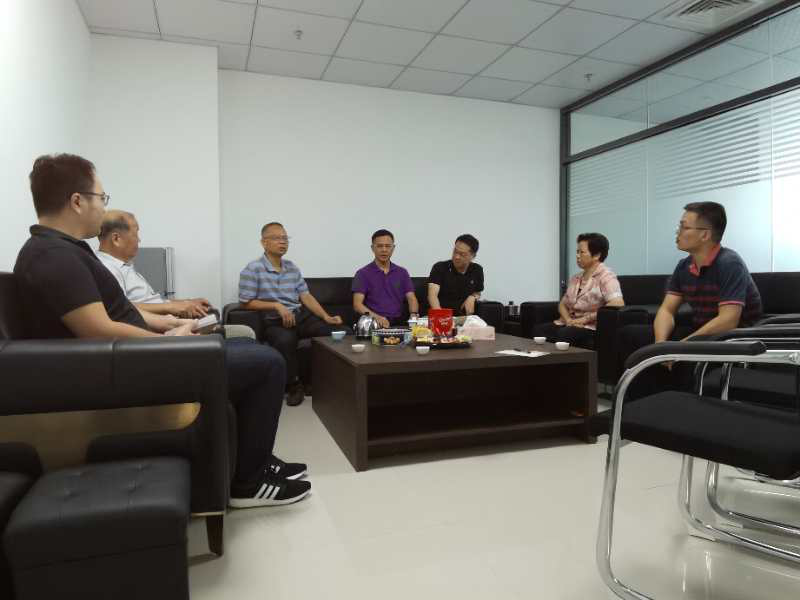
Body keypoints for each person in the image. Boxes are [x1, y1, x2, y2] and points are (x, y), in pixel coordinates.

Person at [14, 154, 310, 508]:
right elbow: (99, 331)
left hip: (132, 359)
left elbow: (119, 312)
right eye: (101, 197)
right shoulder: (54, 256)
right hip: (129, 368)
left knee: (247, 352)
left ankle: (254, 459)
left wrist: (169, 324)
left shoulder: (63, 251)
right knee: (269, 363)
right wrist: (168, 343)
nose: (103, 207)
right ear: (77, 201)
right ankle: (247, 484)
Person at [618, 201, 762, 399]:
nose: (677, 232)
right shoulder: (684, 266)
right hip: (702, 332)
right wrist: (661, 346)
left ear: (705, 235)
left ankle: (679, 404)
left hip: (733, 337)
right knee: (632, 335)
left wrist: (680, 347)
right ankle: (643, 404)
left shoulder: (729, 263)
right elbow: (667, 310)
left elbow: (728, 320)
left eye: (684, 227)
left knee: (684, 358)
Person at [239, 222, 343, 407]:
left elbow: (306, 296)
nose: (283, 242)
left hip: (299, 315)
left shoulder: (292, 267)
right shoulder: (252, 269)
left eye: (285, 238)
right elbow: (245, 302)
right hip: (274, 320)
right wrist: (276, 306)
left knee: (338, 331)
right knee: (284, 341)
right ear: (264, 242)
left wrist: (326, 316)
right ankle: (294, 385)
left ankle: (325, 381)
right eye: (277, 238)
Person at [96, 210, 210, 317]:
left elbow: (150, 302)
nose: (139, 240)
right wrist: (171, 307)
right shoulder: (106, 268)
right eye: (135, 234)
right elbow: (119, 308)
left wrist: (186, 303)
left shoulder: (123, 266)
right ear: (116, 239)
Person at [534, 233, 624, 349]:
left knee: (566, 334)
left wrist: (584, 320)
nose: (577, 256)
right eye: (577, 252)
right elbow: (562, 304)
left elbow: (617, 303)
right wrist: (568, 320)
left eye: (581, 252)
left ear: (596, 255)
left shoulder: (606, 277)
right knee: (539, 330)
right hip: (569, 323)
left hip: (590, 327)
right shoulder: (576, 278)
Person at [352, 229, 418, 328]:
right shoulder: (362, 273)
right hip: (374, 323)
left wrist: (413, 315)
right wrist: (377, 318)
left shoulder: (402, 272)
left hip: (399, 323)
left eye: (388, 246)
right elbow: (357, 305)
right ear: (372, 248)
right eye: (379, 246)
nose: (384, 250)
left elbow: (411, 298)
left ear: (393, 248)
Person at [428, 234, 484, 316]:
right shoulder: (440, 267)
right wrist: (442, 317)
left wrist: (473, 297)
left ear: (473, 256)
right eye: (455, 251)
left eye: (462, 254)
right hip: (441, 315)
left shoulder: (477, 270)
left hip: (463, 317)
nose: (456, 257)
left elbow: (477, 292)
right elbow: (432, 296)